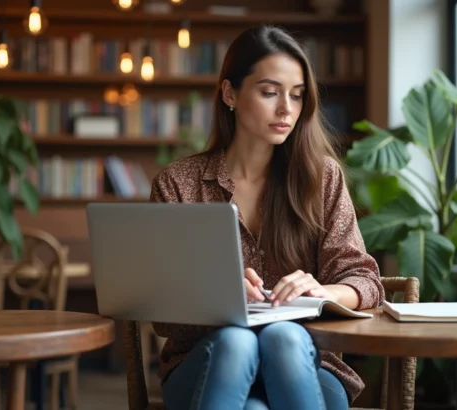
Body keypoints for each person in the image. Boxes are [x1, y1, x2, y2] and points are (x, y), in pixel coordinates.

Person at [149, 25, 384, 410]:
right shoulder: (178, 183)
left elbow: (363, 280)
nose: (286, 110)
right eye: (269, 92)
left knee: (282, 337)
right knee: (238, 341)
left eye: (296, 95)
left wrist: (322, 292)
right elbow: (162, 313)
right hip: (207, 364)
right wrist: (219, 298)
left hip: (305, 364)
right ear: (230, 94)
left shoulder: (321, 177)